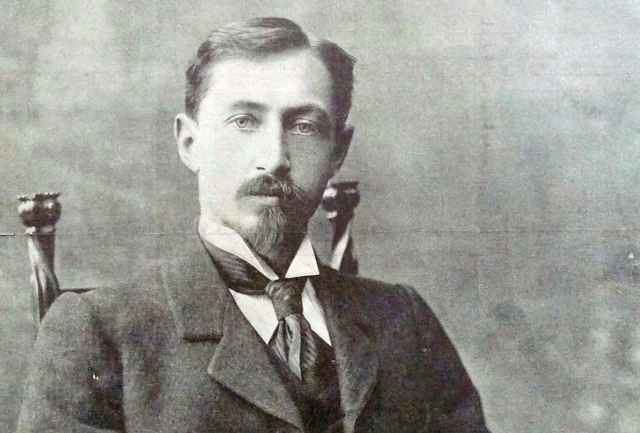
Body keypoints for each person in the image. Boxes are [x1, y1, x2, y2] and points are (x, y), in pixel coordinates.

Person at [17, 17, 490, 433]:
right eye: (244, 121)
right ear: (190, 143)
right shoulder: (102, 333)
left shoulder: (403, 321)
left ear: (338, 151)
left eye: (304, 126)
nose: (275, 157)